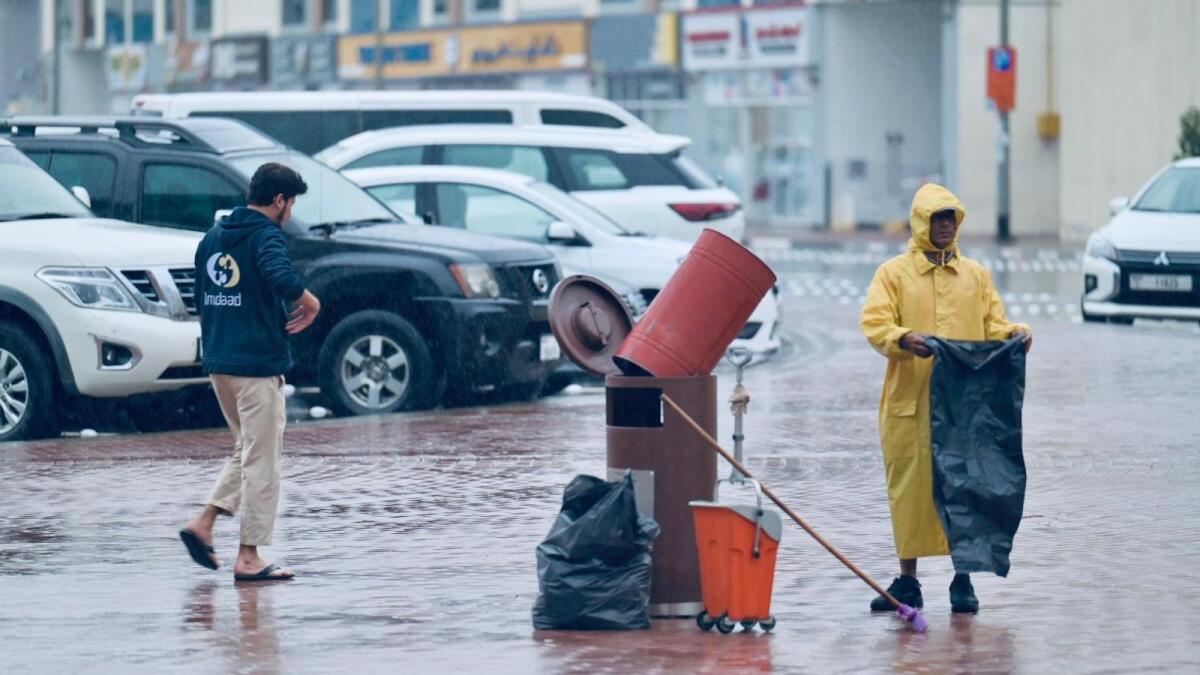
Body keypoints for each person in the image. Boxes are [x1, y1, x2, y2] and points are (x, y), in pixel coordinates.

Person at [859, 183, 1031, 613]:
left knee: (965, 486)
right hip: (911, 405)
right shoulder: (893, 274)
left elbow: (995, 323)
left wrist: (1015, 335)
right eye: (937, 218)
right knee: (910, 493)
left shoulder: (975, 276)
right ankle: (908, 580)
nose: (945, 226)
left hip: (965, 411)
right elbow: (876, 324)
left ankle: (963, 580)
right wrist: (903, 338)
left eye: (951, 218)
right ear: (921, 222)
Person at [179, 162, 321, 582]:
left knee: (248, 450)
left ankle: (203, 524)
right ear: (278, 200)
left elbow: (201, 296)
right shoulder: (266, 236)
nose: (290, 212)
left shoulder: (213, 238)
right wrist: (311, 303)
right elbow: (280, 275)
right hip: (256, 365)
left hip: (220, 362)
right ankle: (249, 556)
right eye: (291, 203)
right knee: (264, 462)